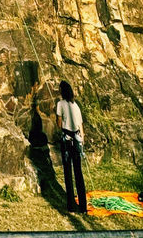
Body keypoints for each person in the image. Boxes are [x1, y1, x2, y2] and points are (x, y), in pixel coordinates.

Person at [56, 79, 87, 214]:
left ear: (62, 91)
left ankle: (71, 206)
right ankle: (83, 207)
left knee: (68, 172)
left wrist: (62, 121)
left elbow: (59, 124)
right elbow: (81, 127)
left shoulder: (60, 104)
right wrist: (81, 144)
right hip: (77, 140)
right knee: (78, 172)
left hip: (67, 140)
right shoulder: (76, 106)